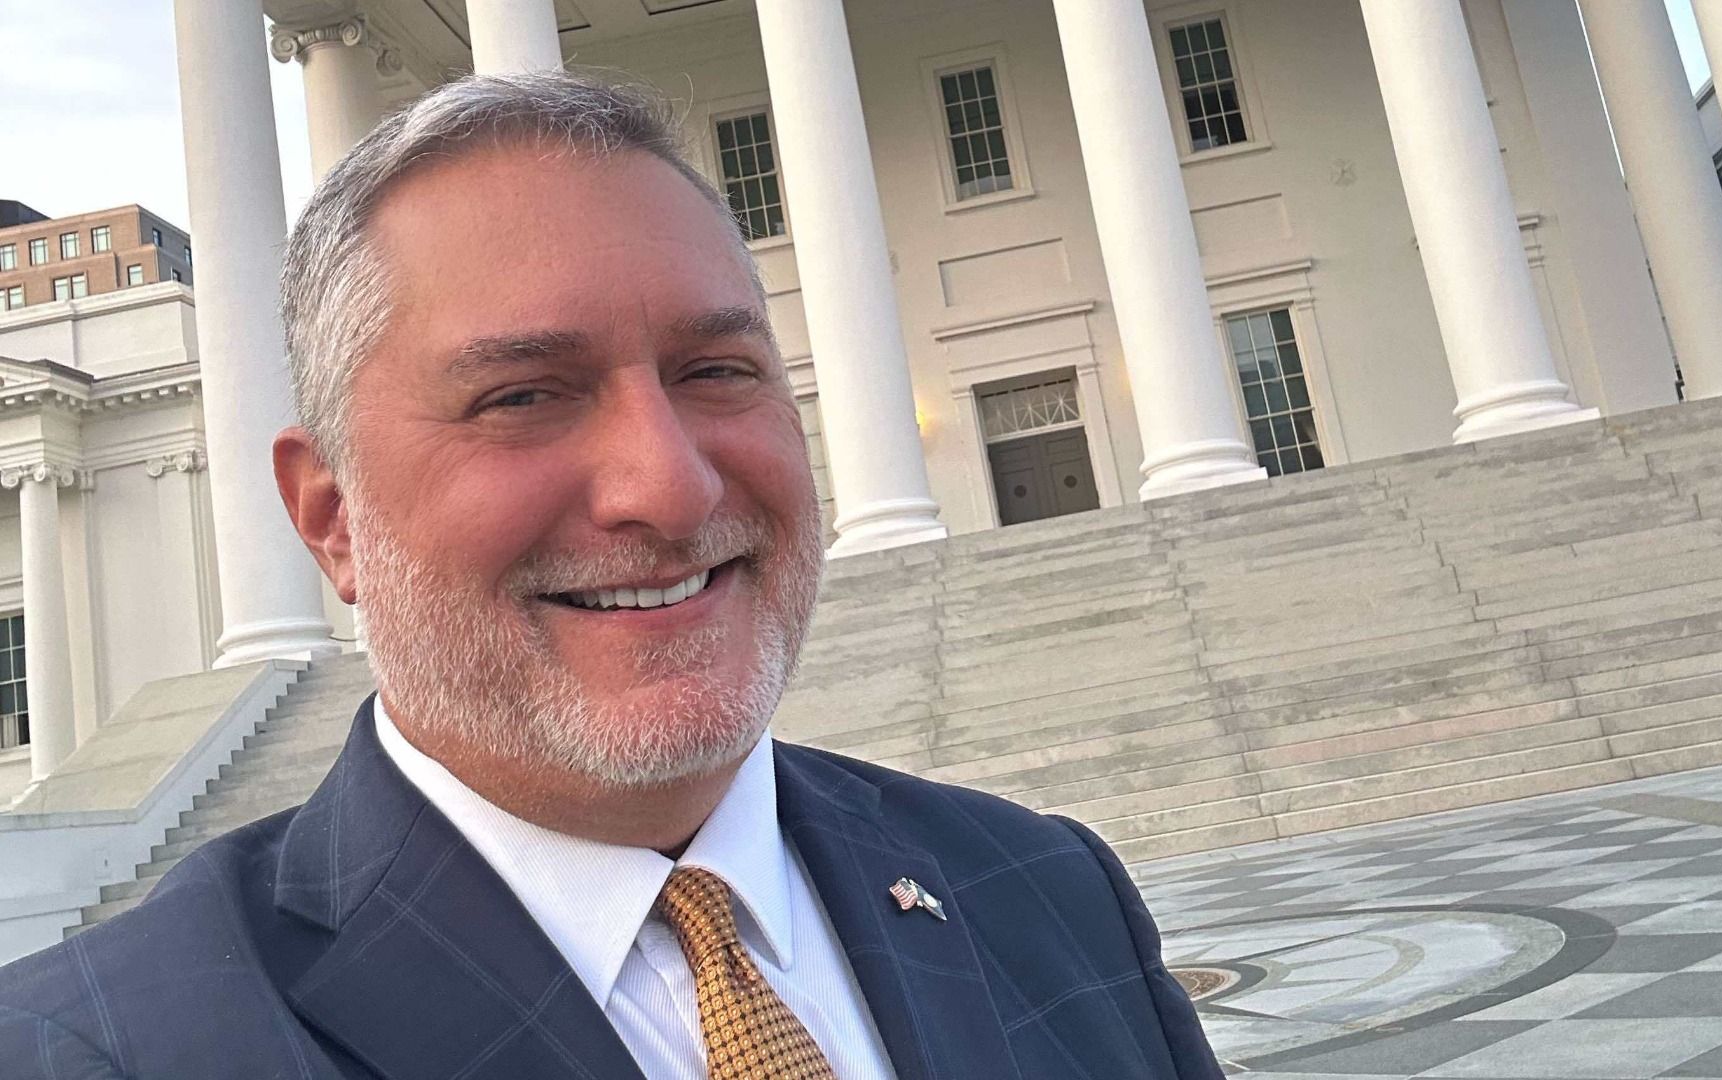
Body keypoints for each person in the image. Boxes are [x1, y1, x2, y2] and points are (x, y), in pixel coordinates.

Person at [0, 72, 1221, 1079]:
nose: (673, 486)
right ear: (330, 519)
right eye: (523, 395)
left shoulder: (1050, 894)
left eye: (716, 371)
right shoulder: (99, 1050)